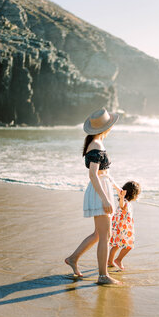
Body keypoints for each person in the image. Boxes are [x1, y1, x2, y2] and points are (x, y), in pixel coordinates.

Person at [65, 107, 122, 285]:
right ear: (106, 127)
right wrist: (105, 198)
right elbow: (93, 175)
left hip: (102, 188)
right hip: (99, 191)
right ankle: (103, 276)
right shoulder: (96, 145)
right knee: (105, 236)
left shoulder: (97, 143)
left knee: (99, 234)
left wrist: (117, 188)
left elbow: (104, 172)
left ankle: (73, 259)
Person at [108, 181, 141, 270]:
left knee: (116, 245)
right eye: (137, 194)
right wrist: (121, 197)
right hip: (123, 228)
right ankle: (118, 260)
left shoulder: (127, 203)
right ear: (133, 194)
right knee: (129, 246)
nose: (138, 196)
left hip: (120, 227)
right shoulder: (125, 202)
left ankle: (110, 261)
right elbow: (122, 205)